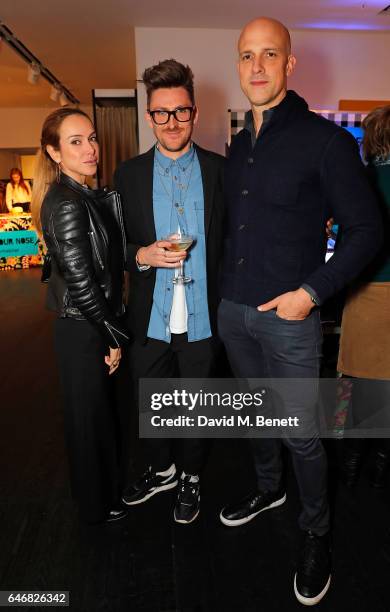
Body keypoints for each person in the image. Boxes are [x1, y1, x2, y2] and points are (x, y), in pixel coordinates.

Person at [218, 17, 382, 606]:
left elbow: (367, 231)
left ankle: (316, 532)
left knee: (302, 435)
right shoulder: (239, 145)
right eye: (245, 56)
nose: (256, 67)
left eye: (269, 55)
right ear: (237, 65)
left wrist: (310, 294)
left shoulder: (326, 142)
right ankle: (268, 490)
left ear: (290, 65)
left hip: (289, 319)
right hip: (233, 314)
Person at [114, 59, 224, 524]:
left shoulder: (222, 171)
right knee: (153, 402)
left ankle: (191, 479)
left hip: (205, 314)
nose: (172, 122)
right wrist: (142, 255)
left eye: (181, 111)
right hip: (150, 313)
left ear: (195, 114)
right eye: (162, 112)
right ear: (148, 115)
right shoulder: (128, 175)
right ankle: (163, 471)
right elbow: (114, 245)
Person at [31, 107, 129, 524]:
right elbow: (82, 284)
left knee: (97, 418)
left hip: (89, 324)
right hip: (83, 328)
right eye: (75, 142)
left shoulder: (85, 194)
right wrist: (112, 338)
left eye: (91, 138)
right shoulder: (67, 203)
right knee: (87, 423)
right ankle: (95, 507)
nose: (90, 148)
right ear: (55, 153)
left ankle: (103, 496)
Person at [338, 105, 390, 489]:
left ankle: (354, 461)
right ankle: (383, 461)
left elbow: (346, 246)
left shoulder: (361, 180)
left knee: (359, 383)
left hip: (367, 291)